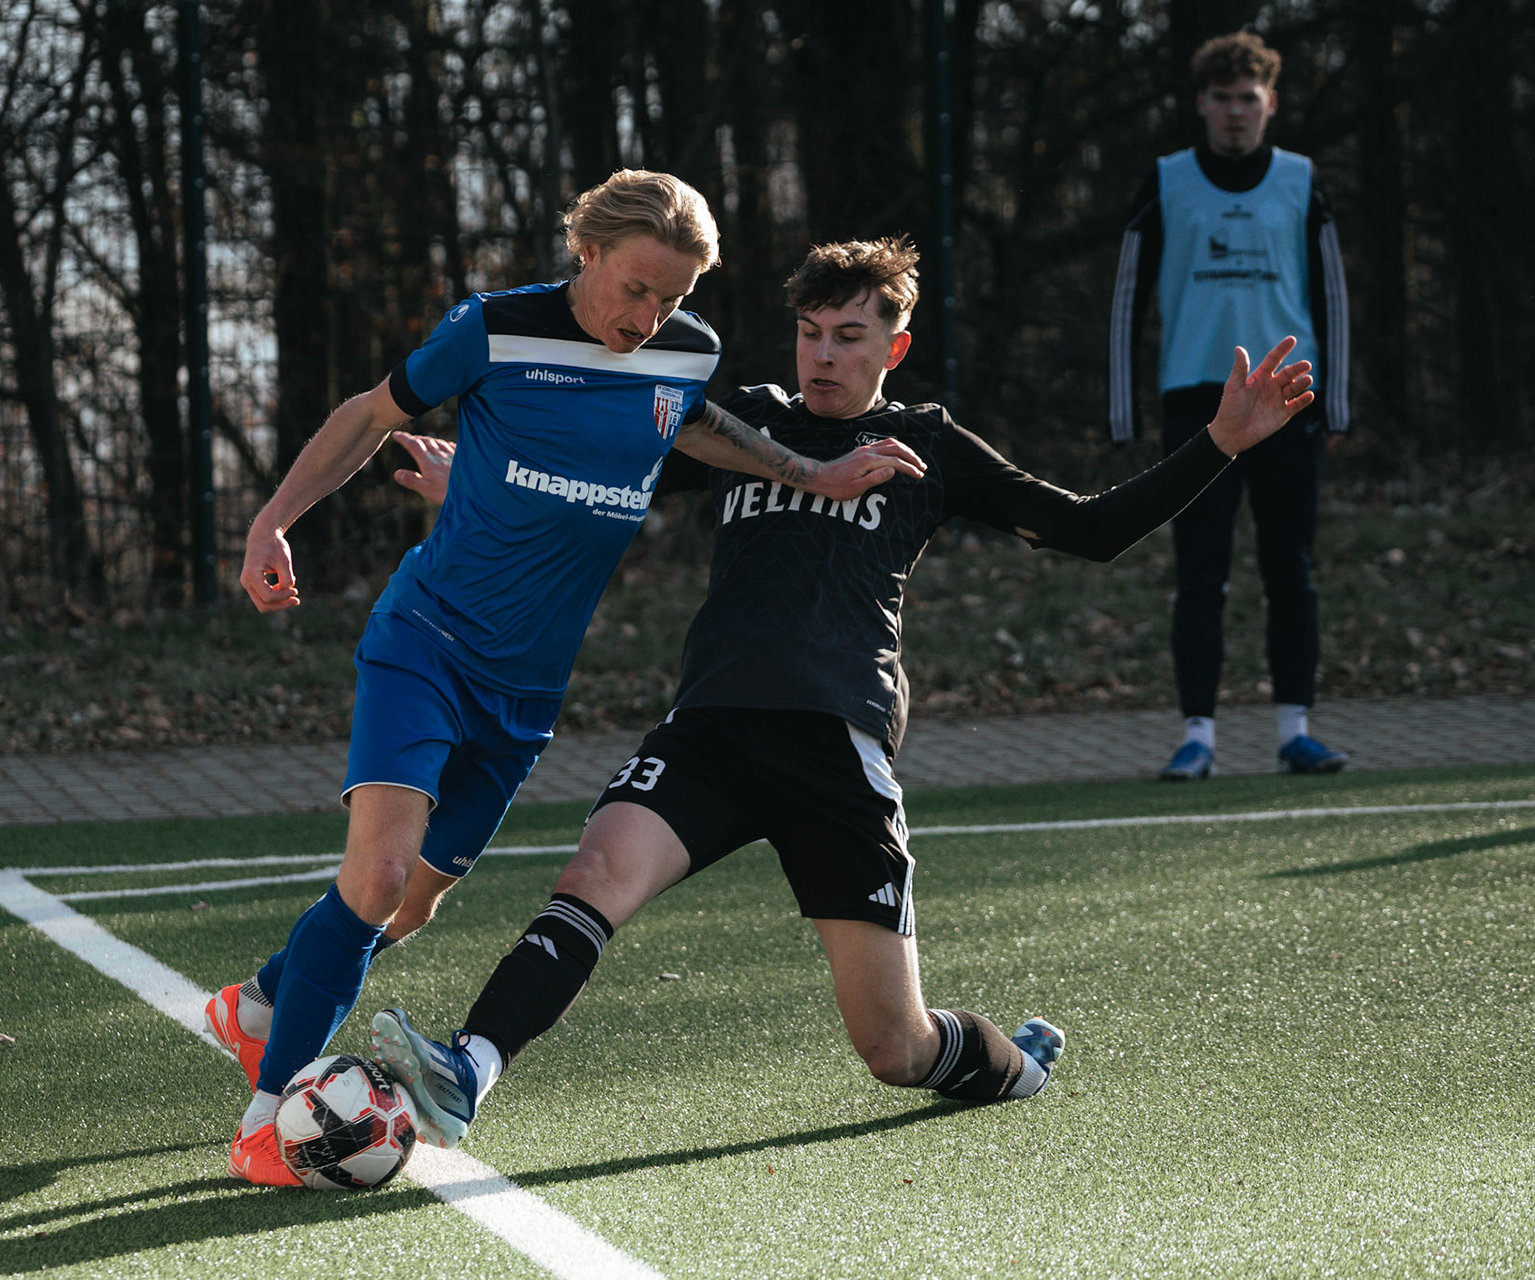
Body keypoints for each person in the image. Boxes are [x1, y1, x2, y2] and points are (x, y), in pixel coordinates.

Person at [368, 236, 1316, 1147]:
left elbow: (1093, 529)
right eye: (811, 331)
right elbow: (600, 475)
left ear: (894, 348)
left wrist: (1221, 443)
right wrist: (478, 485)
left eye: (849, 336)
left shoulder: (927, 444)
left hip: (836, 749)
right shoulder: (749, 421)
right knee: (592, 879)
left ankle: (1018, 1064)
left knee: (894, 1049)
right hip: (712, 728)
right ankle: (470, 1068)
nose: (824, 354)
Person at [213, 171, 925, 1186]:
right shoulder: (494, 330)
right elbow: (369, 413)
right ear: (585, 251)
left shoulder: (684, 351)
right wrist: (272, 520)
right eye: (636, 288)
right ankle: (265, 1117)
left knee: (407, 906)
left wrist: (811, 472)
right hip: (427, 639)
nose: (650, 316)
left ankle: (259, 1004)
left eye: (672, 296)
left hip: (527, 692)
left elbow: (699, 422)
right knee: (373, 877)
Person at [1107, 29, 1352, 780]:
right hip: (1198, 409)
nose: (1236, 113)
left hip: (1289, 404)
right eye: (1222, 100)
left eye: (1249, 99)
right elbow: (1127, 299)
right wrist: (1122, 412)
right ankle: (1198, 739)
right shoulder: (1167, 180)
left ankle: (1295, 731)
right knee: (1200, 574)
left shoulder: (1303, 180)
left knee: (1291, 570)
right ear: (1202, 105)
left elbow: (1332, 296)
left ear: (1271, 104)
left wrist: (1335, 404)